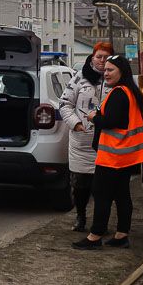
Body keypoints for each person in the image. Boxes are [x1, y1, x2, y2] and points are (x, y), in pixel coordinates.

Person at [72, 55, 143, 250]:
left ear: (122, 71)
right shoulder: (130, 92)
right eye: (105, 70)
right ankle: (122, 235)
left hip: (112, 155)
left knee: (102, 194)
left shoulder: (118, 94)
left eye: (110, 70)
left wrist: (94, 116)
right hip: (125, 155)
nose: (106, 73)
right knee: (122, 195)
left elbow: (111, 122)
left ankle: (95, 237)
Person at [57, 42, 113, 231]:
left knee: (102, 187)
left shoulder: (115, 79)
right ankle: (80, 216)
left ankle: (100, 222)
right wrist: (76, 123)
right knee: (80, 185)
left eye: (106, 57)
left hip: (106, 142)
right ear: (92, 57)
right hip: (82, 143)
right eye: (99, 56)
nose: (102, 61)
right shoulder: (80, 78)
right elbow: (64, 104)